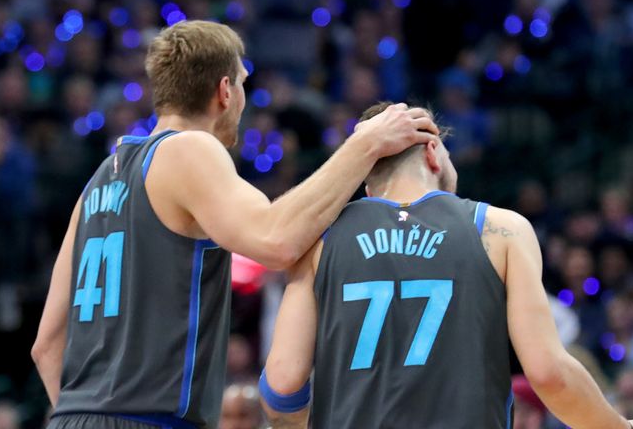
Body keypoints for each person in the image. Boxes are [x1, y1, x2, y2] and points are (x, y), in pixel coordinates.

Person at [31, 21, 439, 429]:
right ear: (225, 91)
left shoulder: (97, 181)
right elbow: (276, 239)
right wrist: (365, 144)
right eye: (243, 84)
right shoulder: (188, 148)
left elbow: (47, 346)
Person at [260, 102, 633, 429]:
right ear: (433, 153)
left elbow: (282, 384)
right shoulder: (499, 229)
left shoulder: (319, 241)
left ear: (367, 179)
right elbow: (548, 372)